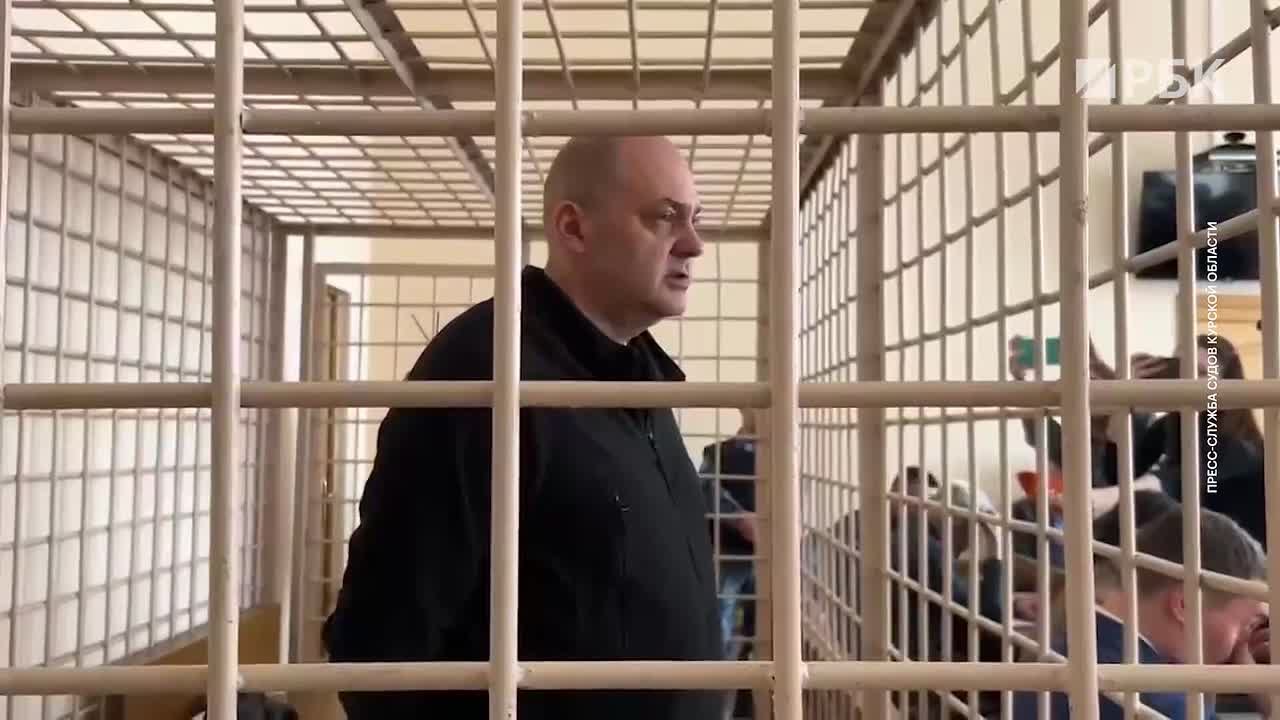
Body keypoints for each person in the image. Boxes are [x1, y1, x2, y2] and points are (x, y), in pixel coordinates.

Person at [321, 136, 721, 720]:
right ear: (573, 228)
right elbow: (381, 650)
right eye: (664, 217)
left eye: (694, 219)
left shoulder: (638, 375)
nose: (694, 244)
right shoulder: (484, 371)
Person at [1012, 507, 1271, 720]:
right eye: (1249, 624)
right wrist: (1267, 690)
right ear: (1186, 605)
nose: (1245, 641)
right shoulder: (1161, 702)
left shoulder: (1060, 636)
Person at [1007, 335, 1154, 488]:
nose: (1091, 394)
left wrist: (1097, 365)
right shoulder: (1073, 443)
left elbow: (1136, 409)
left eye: (1096, 384)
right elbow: (1037, 428)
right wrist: (1019, 380)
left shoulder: (1138, 430)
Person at [698, 408, 759, 661]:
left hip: (771, 555)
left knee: (763, 626)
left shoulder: (784, 455)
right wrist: (739, 518)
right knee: (722, 619)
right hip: (727, 552)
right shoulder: (719, 453)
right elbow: (705, 490)